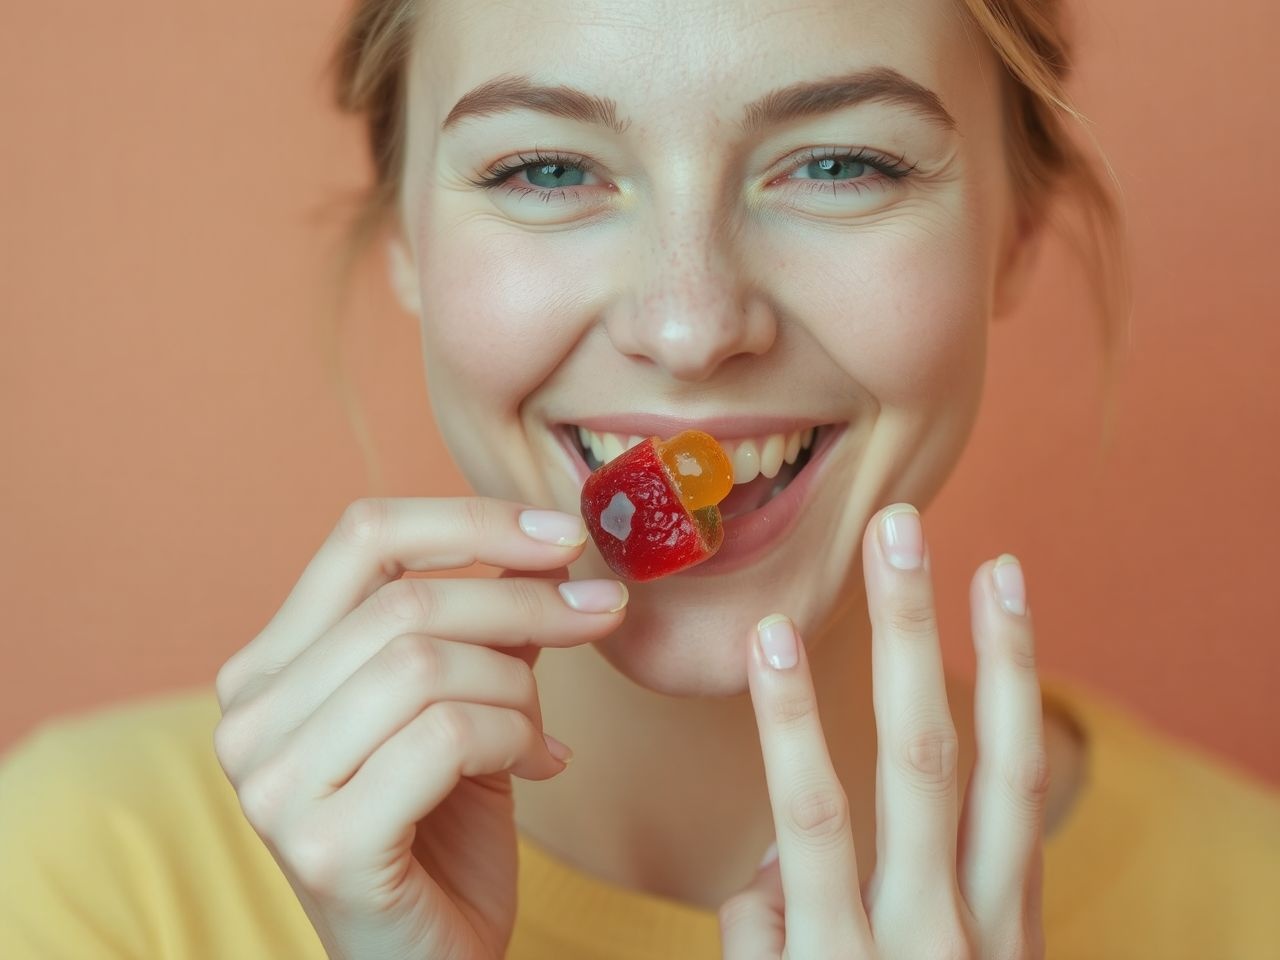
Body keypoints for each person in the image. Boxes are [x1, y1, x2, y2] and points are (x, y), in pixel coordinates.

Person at [3, 0, 1279, 957]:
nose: (688, 324)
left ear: (1016, 231)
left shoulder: (1247, 903)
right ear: (406, 233)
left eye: (841, 163)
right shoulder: (87, 882)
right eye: (545, 170)